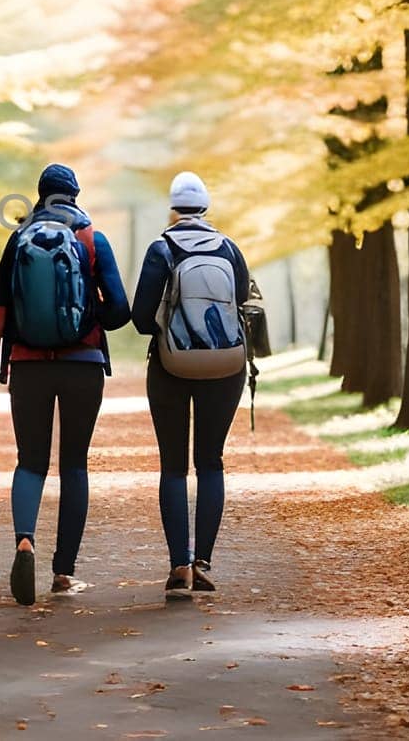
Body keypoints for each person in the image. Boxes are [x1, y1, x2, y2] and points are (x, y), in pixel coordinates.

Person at [0, 163, 130, 606]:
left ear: (39, 195)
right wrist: (91, 315)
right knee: (74, 465)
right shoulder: (92, 239)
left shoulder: (18, 238)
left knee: (30, 461)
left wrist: (7, 350)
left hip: (28, 366)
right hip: (81, 366)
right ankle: (64, 572)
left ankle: (25, 541)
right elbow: (121, 311)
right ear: (74, 195)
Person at [131, 171, 250, 599]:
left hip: (171, 367)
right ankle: (204, 563)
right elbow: (239, 301)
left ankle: (179, 565)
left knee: (174, 466)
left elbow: (142, 319)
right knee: (211, 462)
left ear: (173, 208)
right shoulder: (229, 248)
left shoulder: (161, 248)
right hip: (225, 365)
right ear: (206, 206)